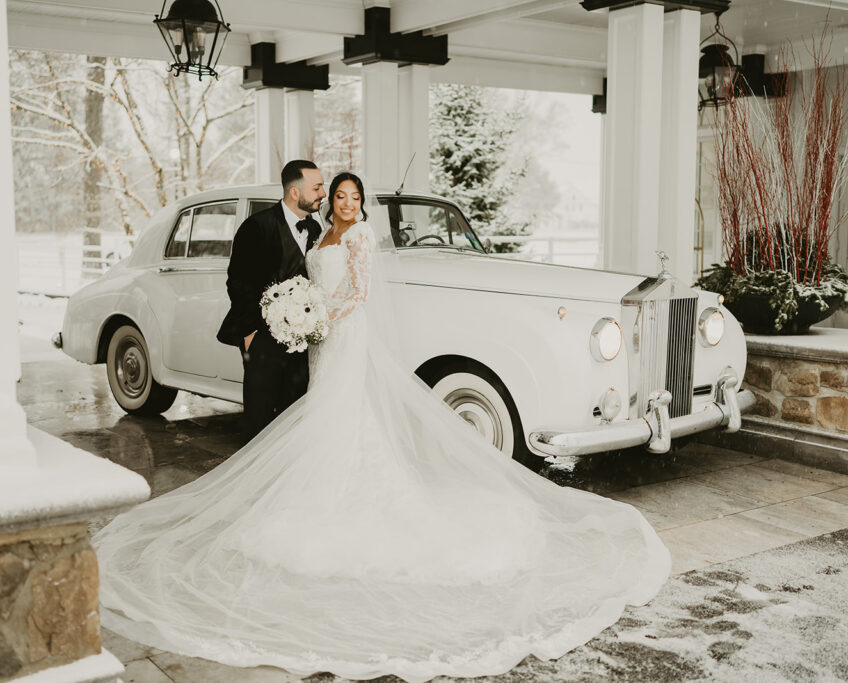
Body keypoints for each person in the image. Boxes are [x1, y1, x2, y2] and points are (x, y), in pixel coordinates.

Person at [95, 172, 671, 683]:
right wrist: (294, 313)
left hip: (337, 335)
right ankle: (315, 490)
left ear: (360, 204)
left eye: (348, 195)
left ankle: (343, 493)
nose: (339, 201)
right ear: (316, 197)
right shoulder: (314, 234)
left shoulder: (360, 236)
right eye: (332, 194)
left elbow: (360, 292)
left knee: (346, 415)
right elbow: (268, 279)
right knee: (318, 415)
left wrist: (317, 315)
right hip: (313, 338)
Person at [217, 160, 325, 443]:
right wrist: (251, 334)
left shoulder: (315, 230)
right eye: (317, 188)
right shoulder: (257, 227)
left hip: (302, 340)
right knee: (260, 417)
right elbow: (238, 282)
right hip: (263, 337)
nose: (322, 193)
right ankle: (255, 481)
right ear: (293, 191)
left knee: (294, 412)